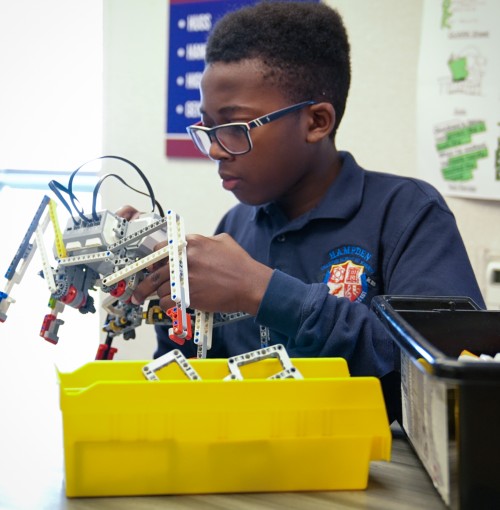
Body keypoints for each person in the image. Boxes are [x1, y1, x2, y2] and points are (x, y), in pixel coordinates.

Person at [125, 1, 484, 422]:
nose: (217, 149)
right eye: (206, 129)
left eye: (235, 127)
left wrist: (263, 291)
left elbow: (450, 380)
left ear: (316, 122)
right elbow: (201, 376)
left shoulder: (409, 215)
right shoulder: (236, 227)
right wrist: (172, 304)